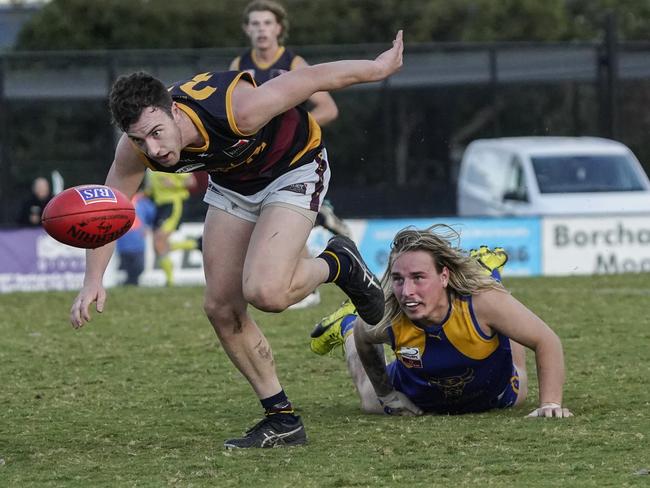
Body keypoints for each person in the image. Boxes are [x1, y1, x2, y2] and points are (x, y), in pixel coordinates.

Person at [69, 31, 404, 448]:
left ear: (174, 111)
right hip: (234, 186)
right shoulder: (135, 148)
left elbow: (315, 78)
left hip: (293, 168)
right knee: (221, 307)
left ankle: (340, 263)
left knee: (267, 292)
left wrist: (379, 68)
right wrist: (92, 279)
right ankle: (282, 419)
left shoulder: (239, 110)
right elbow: (110, 210)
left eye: (156, 132)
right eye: (139, 139)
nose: (152, 150)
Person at [310, 225, 573, 419]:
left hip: (496, 393)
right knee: (371, 402)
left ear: (444, 276)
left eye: (418, 278)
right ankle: (345, 322)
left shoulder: (480, 304)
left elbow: (546, 340)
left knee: (519, 387)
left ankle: (487, 276)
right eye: (398, 279)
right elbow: (364, 337)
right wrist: (388, 397)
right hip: (419, 395)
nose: (406, 291)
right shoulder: (389, 315)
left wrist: (550, 403)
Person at [232, 0, 349, 309]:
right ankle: (306, 276)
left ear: (279, 29)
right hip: (258, 159)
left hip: (296, 158)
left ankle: (323, 222)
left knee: (279, 216)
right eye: (255, 24)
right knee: (269, 221)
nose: (261, 30)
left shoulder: (295, 63)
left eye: (267, 23)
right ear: (247, 29)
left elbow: (328, 108)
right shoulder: (239, 64)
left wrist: (286, 128)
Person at [145, 170, 198, 286]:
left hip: (173, 203)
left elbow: (192, 182)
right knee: (158, 246)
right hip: (159, 206)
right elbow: (150, 189)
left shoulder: (171, 164)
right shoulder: (149, 168)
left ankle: (170, 281)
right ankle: (194, 244)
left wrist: (175, 185)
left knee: (159, 241)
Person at [115, 191, 156, 286]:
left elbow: (152, 215)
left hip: (136, 241)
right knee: (128, 266)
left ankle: (131, 282)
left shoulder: (141, 201)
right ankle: (130, 283)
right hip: (124, 242)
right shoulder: (119, 201)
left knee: (138, 266)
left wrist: (148, 226)